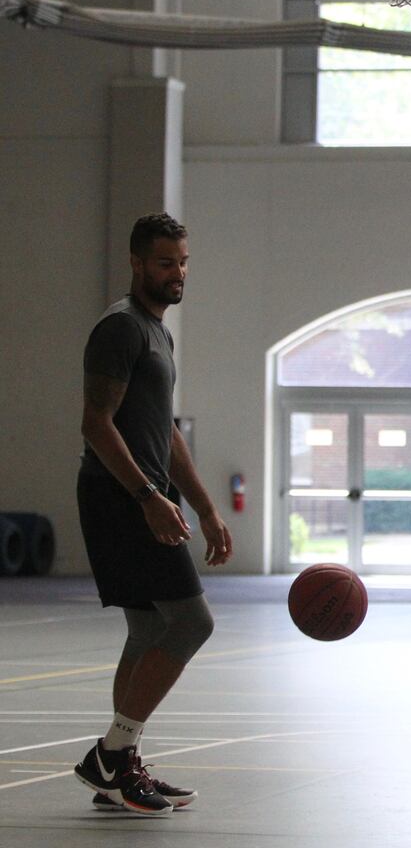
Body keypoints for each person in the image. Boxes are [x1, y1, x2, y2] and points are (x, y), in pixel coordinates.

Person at [72, 213, 233, 816]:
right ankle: (111, 756)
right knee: (192, 623)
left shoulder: (158, 334)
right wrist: (148, 499)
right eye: (166, 262)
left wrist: (207, 506)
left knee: (145, 632)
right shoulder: (120, 329)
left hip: (142, 497)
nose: (178, 273)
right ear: (138, 264)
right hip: (119, 499)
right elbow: (96, 423)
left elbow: (163, 431)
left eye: (184, 262)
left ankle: (119, 765)